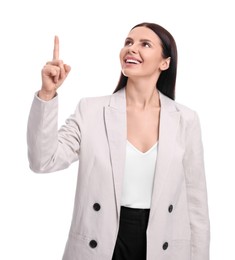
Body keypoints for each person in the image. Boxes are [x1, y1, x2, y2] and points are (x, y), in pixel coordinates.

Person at [27, 22, 210, 260]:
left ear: (165, 62)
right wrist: (47, 94)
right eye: (128, 42)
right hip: (100, 243)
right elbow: (43, 161)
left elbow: (197, 205)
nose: (132, 49)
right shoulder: (91, 110)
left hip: (163, 246)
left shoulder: (186, 119)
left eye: (145, 44)